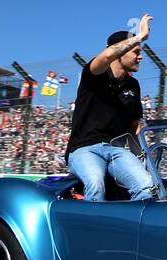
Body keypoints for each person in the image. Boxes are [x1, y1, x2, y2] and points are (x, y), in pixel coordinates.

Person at [64, 16, 157, 202]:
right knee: (95, 183)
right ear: (119, 52)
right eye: (136, 51)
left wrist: (141, 154)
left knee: (146, 185)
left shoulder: (133, 85)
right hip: (85, 149)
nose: (140, 56)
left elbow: (134, 126)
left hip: (117, 150)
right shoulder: (94, 74)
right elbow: (106, 56)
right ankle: (92, 229)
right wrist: (140, 36)